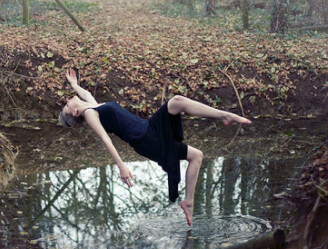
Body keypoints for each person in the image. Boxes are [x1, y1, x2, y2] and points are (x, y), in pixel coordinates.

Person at [59, 69, 252, 226]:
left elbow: (87, 94)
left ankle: (189, 202)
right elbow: (105, 140)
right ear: (76, 113)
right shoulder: (92, 115)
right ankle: (225, 116)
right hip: (147, 139)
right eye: (66, 106)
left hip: (149, 129)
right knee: (177, 102)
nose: (67, 100)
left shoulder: (94, 107)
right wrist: (122, 166)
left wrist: (74, 84)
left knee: (197, 155)